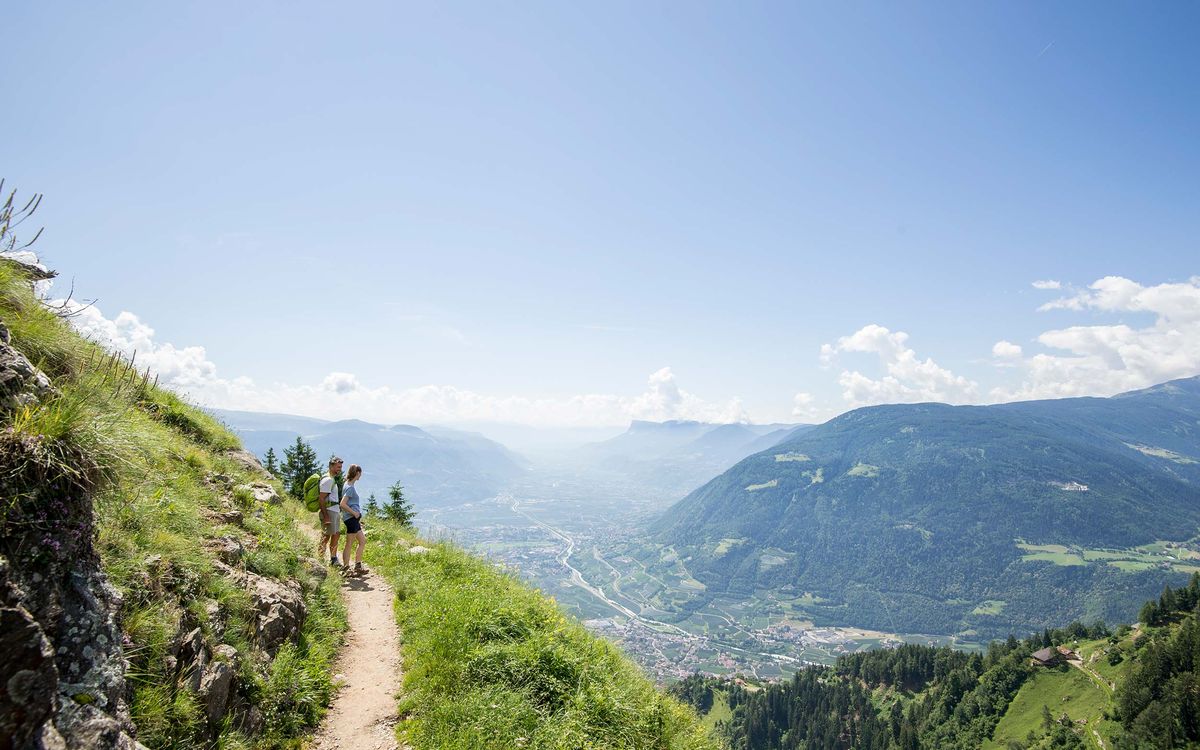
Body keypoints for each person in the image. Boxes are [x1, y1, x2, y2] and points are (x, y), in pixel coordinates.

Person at [340, 463, 369, 576]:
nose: (360, 476)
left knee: (362, 541)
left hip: (353, 519)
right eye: (360, 474)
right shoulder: (350, 488)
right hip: (351, 519)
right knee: (349, 543)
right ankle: (346, 568)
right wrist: (354, 513)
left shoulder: (347, 484)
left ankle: (357, 565)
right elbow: (342, 504)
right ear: (357, 473)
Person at [318, 456, 343, 567]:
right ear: (331, 466)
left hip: (334, 511)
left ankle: (333, 558)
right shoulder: (327, 480)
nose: (339, 469)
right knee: (326, 536)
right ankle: (320, 558)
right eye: (338, 467)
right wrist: (326, 516)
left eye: (340, 467)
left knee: (336, 534)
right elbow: (321, 498)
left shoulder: (331, 479)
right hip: (329, 511)